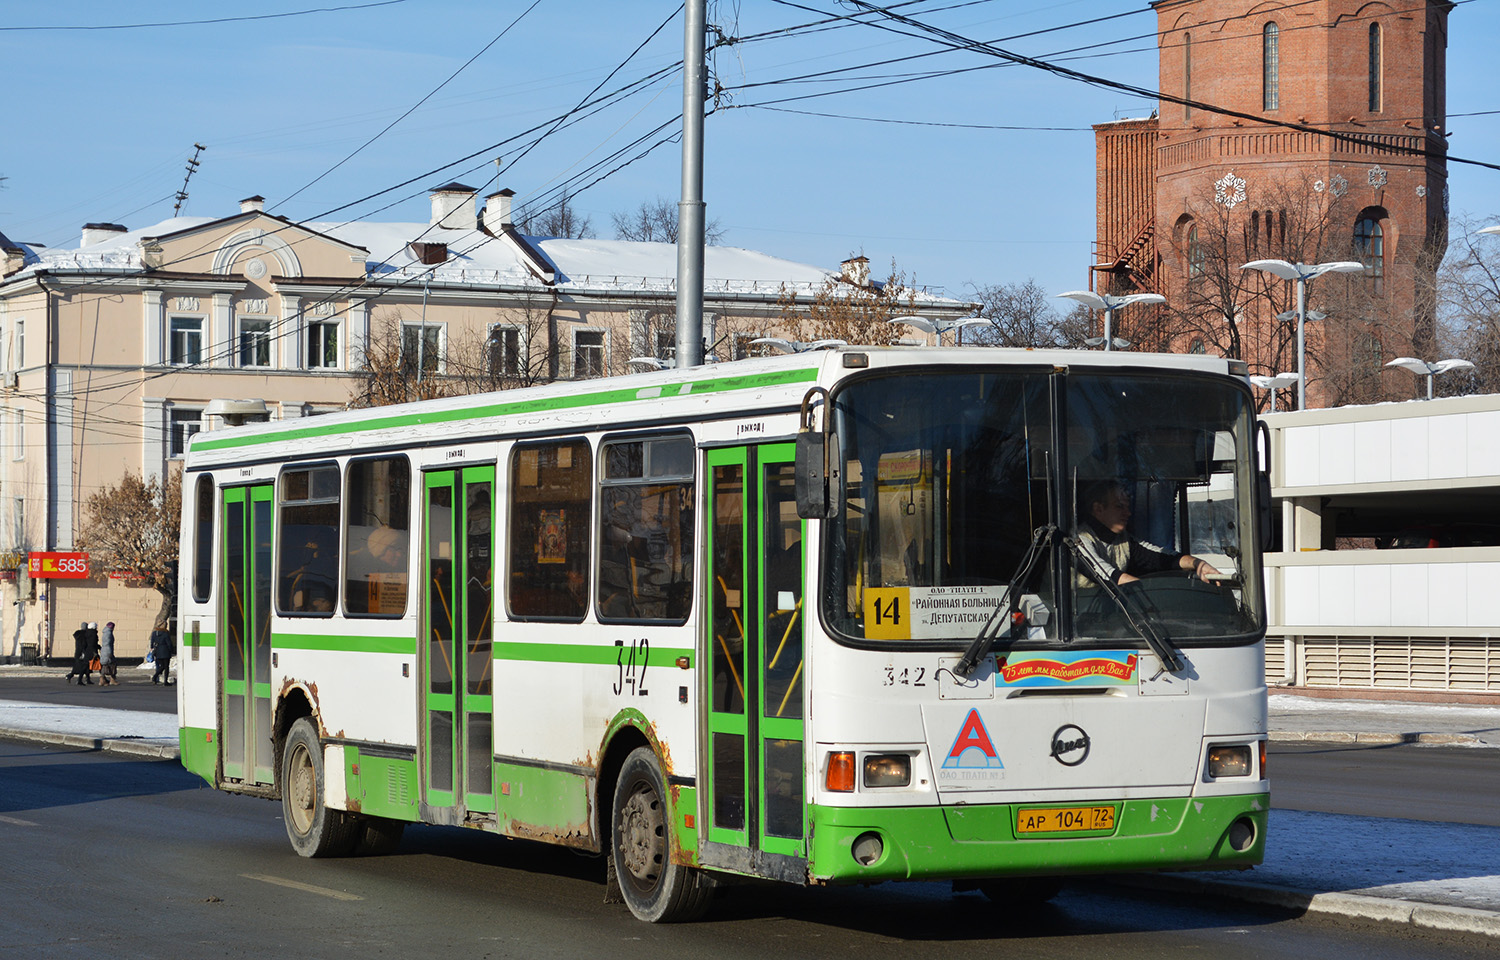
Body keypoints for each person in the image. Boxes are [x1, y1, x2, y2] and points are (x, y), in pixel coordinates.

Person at [1076, 479, 1221, 587]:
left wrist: (1199, 564)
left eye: (1127, 507)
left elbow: (1161, 558)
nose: (1128, 513)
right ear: (1098, 509)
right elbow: (1103, 573)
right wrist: (1150, 592)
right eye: (1119, 507)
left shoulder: (1125, 542)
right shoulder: (1078, 540)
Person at [98, 621, 118, 685]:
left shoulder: (105, 632)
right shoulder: (108, 633)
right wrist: (109, 653)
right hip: (107, 652)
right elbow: (108, 643)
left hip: (104, 651)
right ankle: (112, 679)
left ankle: (102, 680)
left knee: (105, 665)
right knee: (113, 664)